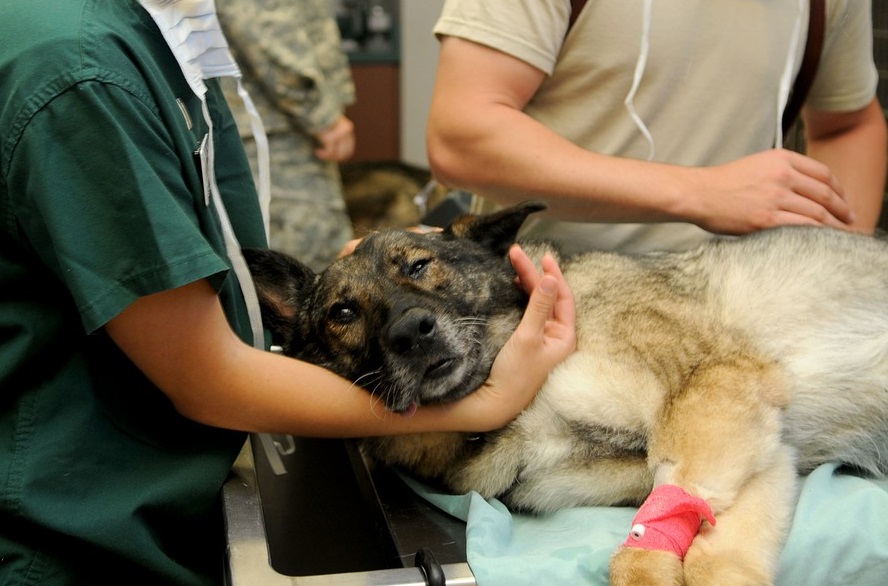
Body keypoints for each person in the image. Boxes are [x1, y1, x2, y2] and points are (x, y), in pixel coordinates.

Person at [0, 1, 576, 584]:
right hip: (76, 538)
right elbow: (206, 378)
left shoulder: (160, 30)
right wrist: (490, 402)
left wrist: (375, 273)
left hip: (152, 500)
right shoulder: (82, 76)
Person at [427, 0, 887, 255]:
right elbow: (462, 135)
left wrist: (836, 267)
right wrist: (700, 193)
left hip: (746, 312)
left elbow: (847, 124)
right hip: (554, 311)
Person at [217, 0, 357, 272]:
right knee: (303, 274)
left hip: (276, 127)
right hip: (274, 134)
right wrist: (322, 116)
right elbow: (263, 24)